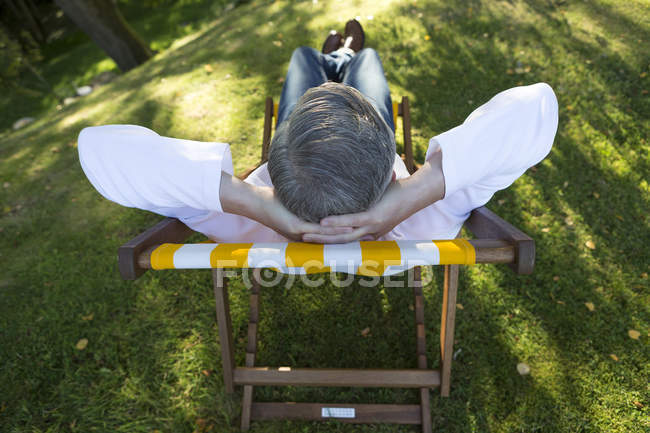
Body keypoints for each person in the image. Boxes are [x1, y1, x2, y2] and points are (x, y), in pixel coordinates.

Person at [77, 20, 559, 245]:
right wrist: (413, 196)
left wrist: (259, 205)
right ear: (391, 176)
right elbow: (536, 106)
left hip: (302, 152)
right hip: (357, 152)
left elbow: (100, 148)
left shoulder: (245, 224)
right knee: (368, 63)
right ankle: (349, 57)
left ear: (274, 168)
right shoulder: (426, 218)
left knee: (302, 60)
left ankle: (331, 60)